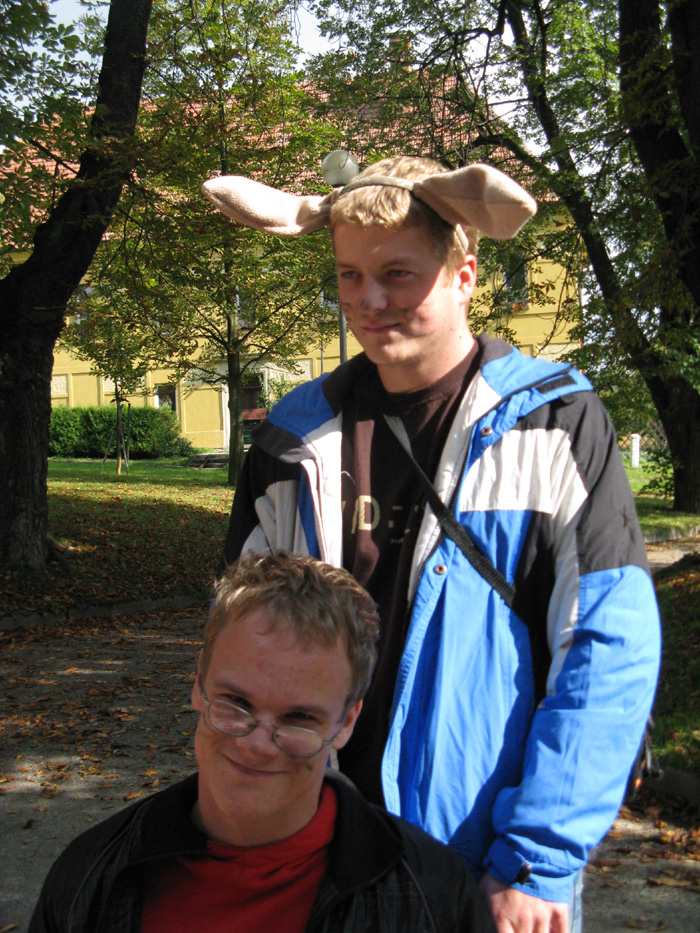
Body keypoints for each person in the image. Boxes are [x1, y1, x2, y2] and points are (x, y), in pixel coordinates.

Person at [201, 156, 661, 933]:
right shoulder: (292, 438)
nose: (368, 300)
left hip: (489, 860)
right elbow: (241, 649)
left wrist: (538, 858)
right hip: (318, 850)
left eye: (397, 274)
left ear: (464, 274)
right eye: (349, 275)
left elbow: (607, 647)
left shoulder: (554, 422)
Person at [29, 551, 495, 933]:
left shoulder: (434, 897)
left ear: (347, 721)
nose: (256, 744)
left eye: (299, 718)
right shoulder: (92, 877)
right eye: (235, 702)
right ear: (198, 683)